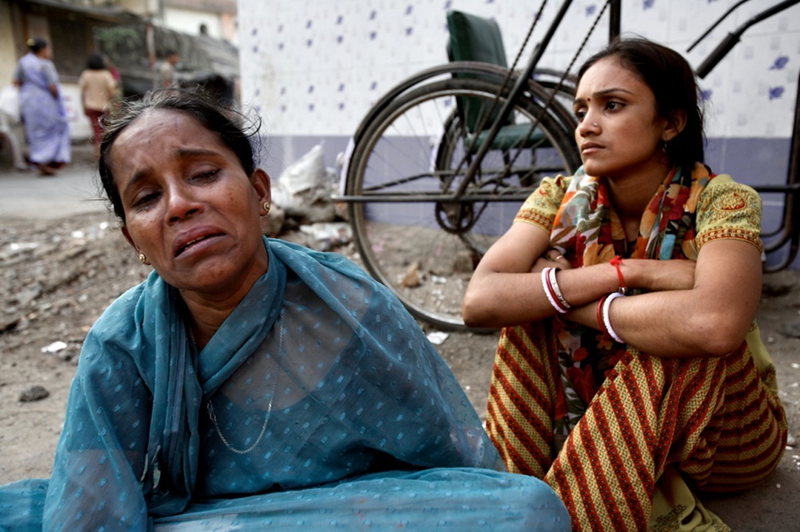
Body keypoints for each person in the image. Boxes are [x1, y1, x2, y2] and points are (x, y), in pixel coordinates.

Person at [0, 88, 570, 532]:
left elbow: (455, 472)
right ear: (134, 240)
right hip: (198, 521)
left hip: (355, 518)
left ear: (260, 191)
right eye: (146, 198)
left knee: (525, 512)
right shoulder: (122, 343)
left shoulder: (349, 305)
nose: (180, 205)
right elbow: (95, 512)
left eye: (203, 174)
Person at [461, 38, 788, 531]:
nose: (586, 126)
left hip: (726, 441)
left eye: (612, 105)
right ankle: (516, 495)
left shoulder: (725, 201)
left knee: (671, 340)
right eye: (581, 109)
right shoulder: (558, 196)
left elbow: (715, 324)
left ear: (671, 123)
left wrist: (566, 295)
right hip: (598, 424)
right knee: (524, 317)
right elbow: (481, 300)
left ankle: (573, 515)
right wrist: (629, 274)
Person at [11, 37, 70, 176]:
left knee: (34, 132)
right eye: (48, 48)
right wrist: (57, 100)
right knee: (52, 128)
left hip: (28, 101)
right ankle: (47, 161)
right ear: (42, 49)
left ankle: (39, 161)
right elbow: (52, 86)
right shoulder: (45, 64)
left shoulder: (23, 62)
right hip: (45, 101)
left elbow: (15, 81)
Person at [78, 53, 117, 150]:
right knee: (106, 130)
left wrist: (83, 106)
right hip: (104, 106)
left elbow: (82, 93)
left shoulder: (86, 74)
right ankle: (105, 152)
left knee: (97, 132)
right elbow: (112, 91)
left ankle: (98, 152)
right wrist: (105, 97)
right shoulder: (106, 74)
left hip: (91, 106)